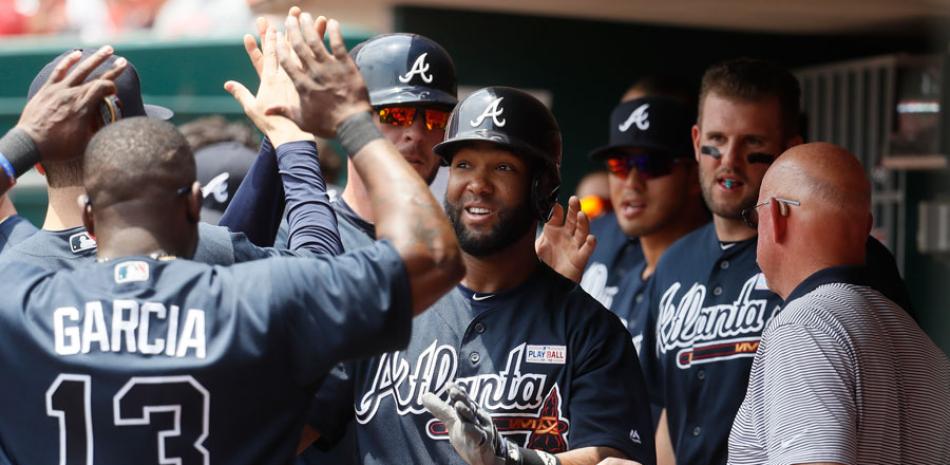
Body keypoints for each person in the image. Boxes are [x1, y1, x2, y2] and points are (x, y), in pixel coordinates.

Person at [0, 13, 463, 463]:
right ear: (194, 207)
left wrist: (22, 141)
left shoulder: (18, 294)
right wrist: (342, 123)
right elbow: (433, 254)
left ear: (90, 217)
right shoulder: (244, 293)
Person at [299, 84, 656, 465]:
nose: (478, 185)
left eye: (503, 168)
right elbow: (287, 430)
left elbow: (615, 459)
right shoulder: (386, 305)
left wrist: (514, 459)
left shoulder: (589, 330)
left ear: (541, 187)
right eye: (464, 165)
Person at [637, 58, 914, 465]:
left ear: (789, 150)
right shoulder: (673, 263)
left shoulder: (846, 258)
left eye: (752, 145)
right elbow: (666, 412)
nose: (729, 161)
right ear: (696, 141)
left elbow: (895, 398)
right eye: (716, 139)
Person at [0, 35, 339, 269]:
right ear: (141, 152)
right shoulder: (209, 253)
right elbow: (325, 278)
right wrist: (290, 133)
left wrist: (24, 143)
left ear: (39, 166)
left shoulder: (13, 276)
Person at [727, 142, 950, 465]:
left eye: (754, 217)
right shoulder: (924, 348)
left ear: (775, 216)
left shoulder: (803, 329)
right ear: (866, 228)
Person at [275, 27, 458, 252]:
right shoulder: (293, 237)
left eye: (435, 118)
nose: (417, 134)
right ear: (346, 118)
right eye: (396, 115)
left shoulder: (464, 252)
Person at [585, 96, 707, 356]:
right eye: (618, 165)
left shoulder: (716, 276)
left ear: (696, 175)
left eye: (650, 165)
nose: (631, 183)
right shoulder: (628, 280)